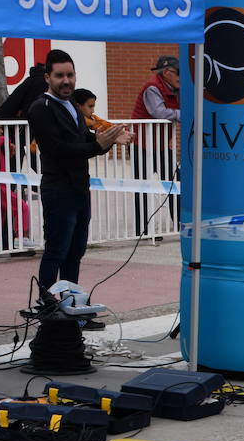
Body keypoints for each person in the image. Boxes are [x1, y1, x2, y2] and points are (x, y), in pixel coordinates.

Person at [27, 49, 131, 322]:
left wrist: (110, 138)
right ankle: (45, 304)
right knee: (56, 250)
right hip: (58, 189)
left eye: (70, 75)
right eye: (60, 76)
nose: (66, 81)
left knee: (75, 252)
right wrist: (98, 145)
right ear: (48, 77)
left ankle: (71, 304)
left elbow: (83, 137)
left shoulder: (72, 105)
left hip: (79, 189)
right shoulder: (40, 108)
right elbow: (58, 149)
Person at [130, 54, 180, 236]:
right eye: (178, 73)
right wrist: (184, 114)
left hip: (160, 145)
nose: (181, 77)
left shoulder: (175, 88)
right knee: (142, 187)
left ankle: (182, 224)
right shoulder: (152, 87)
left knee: (175, 184)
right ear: (167, 72)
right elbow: (159, 113)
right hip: (142, 145)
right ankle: (143, 229)